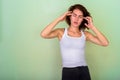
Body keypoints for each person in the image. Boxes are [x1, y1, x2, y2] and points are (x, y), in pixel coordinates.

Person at [40, 4, 109, 80]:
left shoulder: (85, 34)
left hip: (84, 70)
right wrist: (59, 19)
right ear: (69, 16)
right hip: (68, 71)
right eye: (74, 15)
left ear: (83, 19)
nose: (76, 19)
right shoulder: (61, 32)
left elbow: (105, 43)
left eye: (80, 16)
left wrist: (93, 27)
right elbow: (43, 34)